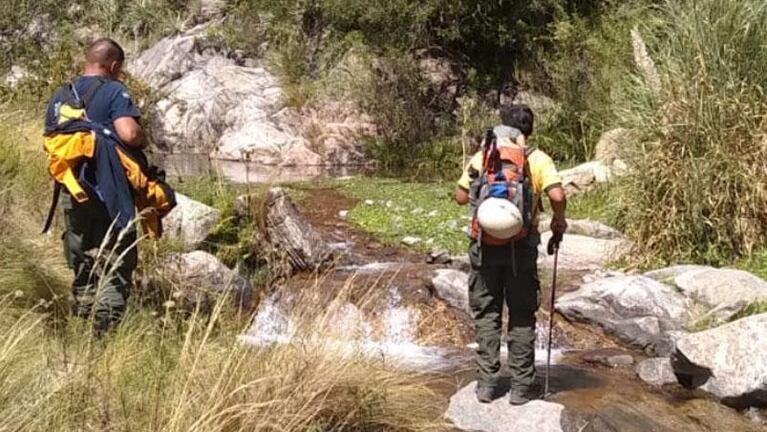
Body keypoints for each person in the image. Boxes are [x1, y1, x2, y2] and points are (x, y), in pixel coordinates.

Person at [454, 104, 567, 405]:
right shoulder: (538, 160)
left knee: (487, 315)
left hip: (485, 249)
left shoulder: (485, 156)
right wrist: (559, 220)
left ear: (502, 126)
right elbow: (557, 195)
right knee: (521, 317)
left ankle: (487, 385)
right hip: (522, 248)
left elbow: (460, 196)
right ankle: (519, 389)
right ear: (529, 131)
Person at [45, 38, 146, 335]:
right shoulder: (115, 90)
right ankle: (104, 330)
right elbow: (128, 133)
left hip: (72, 190)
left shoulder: (61, 94)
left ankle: (84, 318)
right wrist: (142, 138)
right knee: (117, 256)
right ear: (113, 65)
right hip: (109, 190)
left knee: (81, 254)